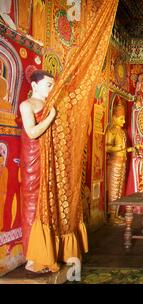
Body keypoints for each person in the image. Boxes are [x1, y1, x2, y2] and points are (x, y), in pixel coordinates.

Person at [19, 69, 56, 272]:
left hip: (49, 158)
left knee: (46, 204)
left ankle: (47, 250)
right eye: (48, 85)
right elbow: (32, 133)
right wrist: (51, 117)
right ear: (34, 85)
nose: (51, 89)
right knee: (33, 203)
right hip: (33, 158)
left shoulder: (49, 105)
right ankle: (33, 257)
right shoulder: (27, 105)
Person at [106, 101, 141, 222]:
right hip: (114, 163)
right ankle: (111, 216)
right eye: (121, 119)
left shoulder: (121, 132)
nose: (124, 121)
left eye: (124, 119)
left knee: (120, 188)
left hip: (122, 162)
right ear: (114, 118)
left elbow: (123, 148)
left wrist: (130, 149)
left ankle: (116, 214)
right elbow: (107, 147)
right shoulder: (111, 131)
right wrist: (120, 148)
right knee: (114, 189)